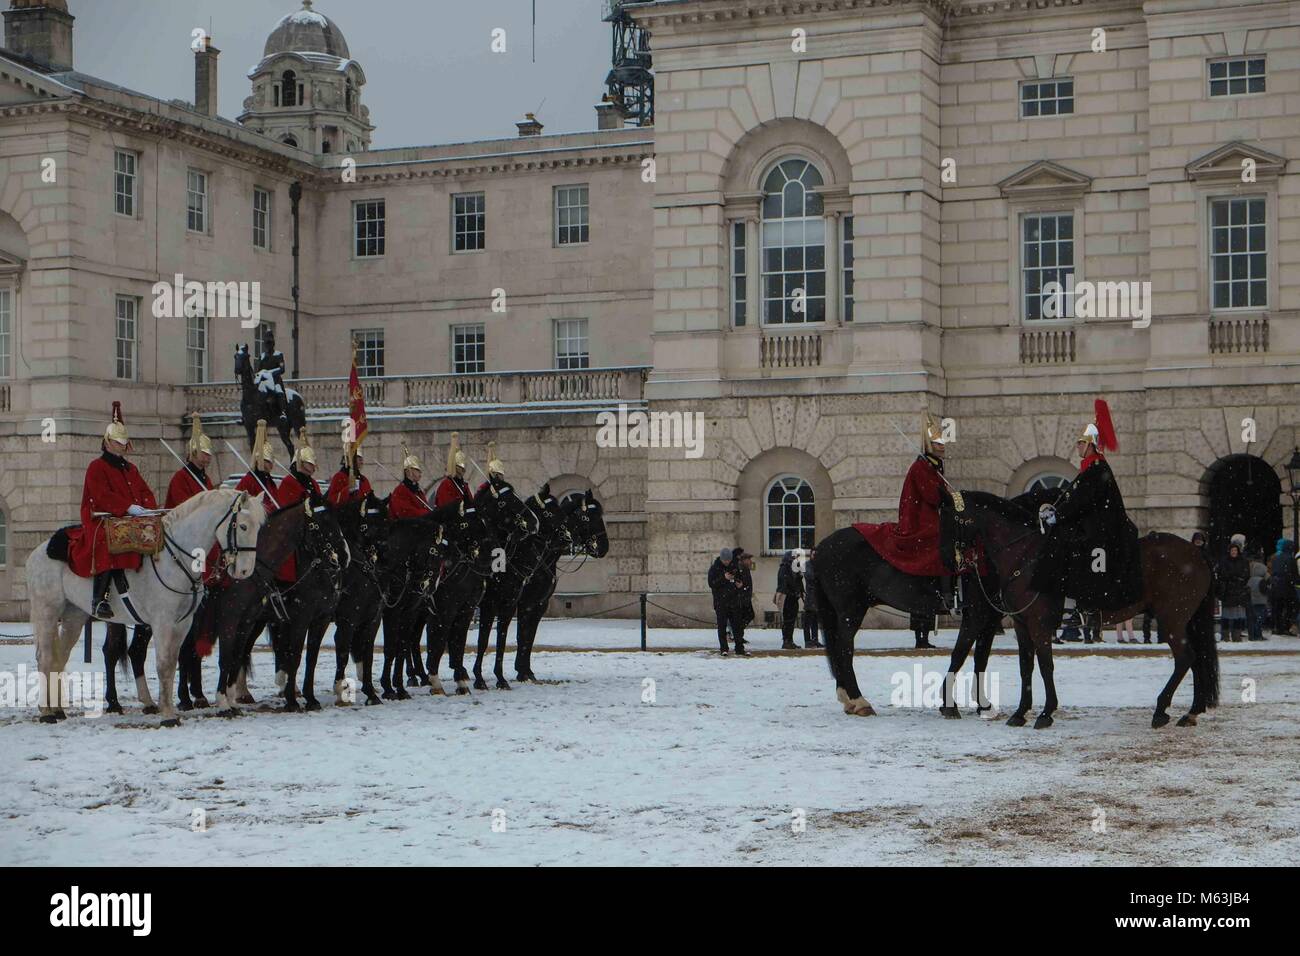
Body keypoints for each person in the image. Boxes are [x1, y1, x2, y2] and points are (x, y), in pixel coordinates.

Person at [1030, 400, 1141, 612]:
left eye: (1081, 443)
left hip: (1100, 527)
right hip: (1093, 522)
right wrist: (1057, 509)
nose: (1078, 446)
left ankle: (1081, 603)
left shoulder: (1097, 468)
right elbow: (1074, 497)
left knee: (1066, 547)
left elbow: (1082, 501)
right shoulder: (1090, 468)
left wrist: (1059, 516)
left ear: (1091, 445)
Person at [67, 402, 159, 619]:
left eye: (123, 442)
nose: (122, 445)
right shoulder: (96, 467)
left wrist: (148, 509)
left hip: (130, 518)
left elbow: (145, 491)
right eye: (118, 441)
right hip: (102, 519)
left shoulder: (130, 468)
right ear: (108, 442)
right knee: (107, 542)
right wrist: (127, 507)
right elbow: (101, 496)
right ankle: (100, 599)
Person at [856, 413, 951, 607]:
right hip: (920, 520)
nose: (942, 446)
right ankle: (944, 590)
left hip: (932, 517)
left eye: (942, 442)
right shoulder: (921, 467)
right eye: (938, 443)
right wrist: (950, 497)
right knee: (943, 541)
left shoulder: (934, 466)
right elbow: (932, 496)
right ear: (929, 446)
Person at [275, 428, 322, 583]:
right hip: (295, 531)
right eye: (310, 463)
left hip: (313, 528)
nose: (314, 466)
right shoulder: (288, 482)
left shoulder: (313, 483)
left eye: (313, 463)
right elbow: (287, 510)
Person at [164, 413, 214, 508]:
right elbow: (183, 505)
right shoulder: (180, 478)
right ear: (194, 453)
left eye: (209, 454)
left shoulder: (206, 479)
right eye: (204, 453)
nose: (208, 457)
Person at [708, 547, 745, 657]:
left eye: (729, 560)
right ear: (721, 559)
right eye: (725, 560)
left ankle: (739, 647)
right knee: (722, 626)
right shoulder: (715, 568)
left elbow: (739, 578)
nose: (727, 562)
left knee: (737, 626)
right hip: (721, 601)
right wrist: (724, 578)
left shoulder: (734, 567)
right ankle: (724, 648)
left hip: (733, 601)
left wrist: (739, 584)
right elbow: (712, 584)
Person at [236, 419, 280, 508]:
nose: (270, 465)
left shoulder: (269, 481)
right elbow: (239, 504)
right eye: (267, 461)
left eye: (271, 462)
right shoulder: (248, 480)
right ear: (258, 461)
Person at [1216, 540, 1250, 642]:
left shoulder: (1243, 561)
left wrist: (1239, 579)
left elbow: (1246, 574)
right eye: (1232, 550)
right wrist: (1232, 577)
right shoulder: (1224, 561)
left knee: (1238, 615)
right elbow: (1222, 574)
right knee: (1226, 615)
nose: (1234, 552)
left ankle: (1236, 635)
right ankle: (1225, 635)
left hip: (1239, 591)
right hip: (1228, 591)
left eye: (1235, 550)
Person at [432, 431, 473, 508]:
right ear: (455, 467)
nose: (463, 470)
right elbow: (445, 506)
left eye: (463, 467)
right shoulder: (446, 484)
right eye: (460, 467)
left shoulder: (464, 485)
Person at [389, 443, 431, 518]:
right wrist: (425, 514)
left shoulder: (418, 491)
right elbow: (405, 512)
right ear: (408, 471)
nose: (420, 473)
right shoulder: (400, 491)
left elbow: (425, 507)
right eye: (417, 470)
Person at [325, 443, 373, 507]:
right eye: (358, 458)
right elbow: (332, 500)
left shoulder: (364, 480)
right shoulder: (339, 477)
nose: (361, 462)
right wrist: (347, 490)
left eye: (361, 459)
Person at [774, 549, 803, 650]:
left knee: (791, 620)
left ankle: (789, 640)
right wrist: (793, 590)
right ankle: (787, 641)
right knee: (788, 620)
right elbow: (785, 582)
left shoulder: (794, 568)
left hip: (793, 596)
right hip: (787, 597)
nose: (796, 559)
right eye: (794, 557)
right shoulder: (784, 568)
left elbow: (797, 581)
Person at [1268, 539, 1296, 636]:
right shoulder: (1291, 558)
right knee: (1288, 608)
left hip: (1276, 586)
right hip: (1287, 586)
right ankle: (1286, 627)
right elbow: (1294, 574)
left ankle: (1277, 627)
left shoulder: (1276, 558)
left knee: (1277, 608)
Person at [1246, 541, 1270, 642]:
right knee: (1260, 615)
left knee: (1252, 616)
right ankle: (1258, 634)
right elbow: (1269, 577)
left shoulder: (1248, 566)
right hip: (1260, 590)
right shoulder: (1263, 568)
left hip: (1250, 590)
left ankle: (1252, 634)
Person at [800, 548, 822, 648]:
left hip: (818, 597)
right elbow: (810, 576)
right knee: (807, 621)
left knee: (815, 621)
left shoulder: (819, 565)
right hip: (810, 596)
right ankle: (808, 641)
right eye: (814, 555)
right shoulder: (807, 565)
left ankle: (815, 639)